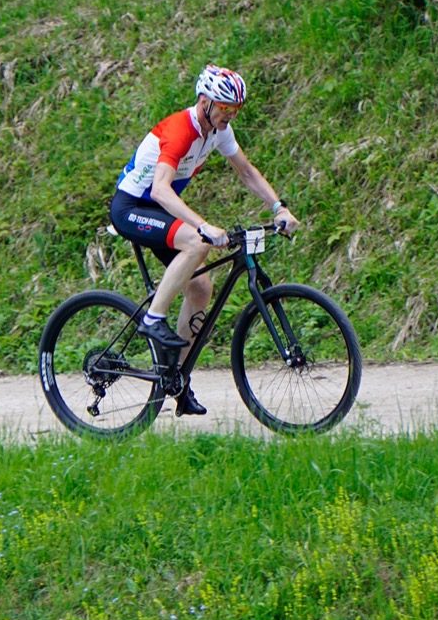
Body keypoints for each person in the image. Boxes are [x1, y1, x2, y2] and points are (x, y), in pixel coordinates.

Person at [108, 65, 300, 415]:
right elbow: (160, 189)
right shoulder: (181, 129)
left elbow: (246, 172)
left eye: (236, 109)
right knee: (198, 242)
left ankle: (176, 379)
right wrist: (203, 226)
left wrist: (279, 207)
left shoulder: (217, 131)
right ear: (204, 101)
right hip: (132, 207)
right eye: (225, 108)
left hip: (159, 211)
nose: (231, 115)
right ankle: (153, 319)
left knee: (200, 289)